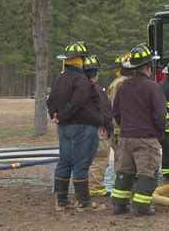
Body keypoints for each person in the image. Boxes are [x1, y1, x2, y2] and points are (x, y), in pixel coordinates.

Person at [47, 42, 103, 211]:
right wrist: (63, 115)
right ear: (80, 60)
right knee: (81, 164)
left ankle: (61, 201)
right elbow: (78, 101)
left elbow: (49, 101)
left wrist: (55, 115)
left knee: (64, 162)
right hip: (82, 127)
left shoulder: (59, 78)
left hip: (64, 128)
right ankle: (84, 202)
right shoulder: (81, 79)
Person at [111, 44, 166, 217]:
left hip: (126, 138)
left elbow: (116, 113)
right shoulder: (152, 87)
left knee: (125, 172)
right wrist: (159, 134)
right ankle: (142, 208)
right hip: (146, 138)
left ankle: (119, 206)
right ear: (148, 67)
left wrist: (126, 127)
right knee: (147, 173)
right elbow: (160, 115)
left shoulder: (123, 86)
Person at [85, 56, 114, 197]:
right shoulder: (96, 91)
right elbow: (104, 110)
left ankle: (88, 187)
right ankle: (95, 189)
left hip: (86, 130)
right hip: (100, 130)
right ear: (95, 73)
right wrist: (109, 126)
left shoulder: (79, 88)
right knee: (99, 159)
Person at [107, 53, 132, 173]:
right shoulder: (121, 83)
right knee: (122, 160)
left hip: (121, 128)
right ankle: (121, 183)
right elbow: (118, 107)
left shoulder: (120, 82)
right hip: (120, 129)